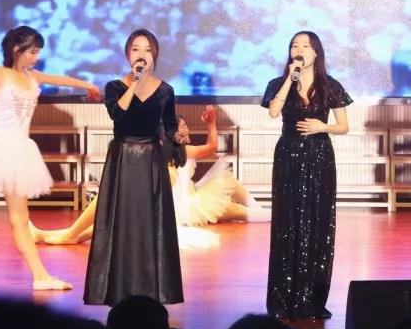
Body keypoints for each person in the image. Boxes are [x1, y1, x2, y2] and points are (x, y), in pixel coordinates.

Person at [0, 25, 101, 291]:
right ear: (17, 49)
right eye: (33, 51)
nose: (36, 56)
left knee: (19, 218)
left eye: (38, 51)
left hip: (17, 153)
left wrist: (89, 86)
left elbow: (60, 80)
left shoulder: (32, 77)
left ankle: (40, 276)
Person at [29, 106, 268, 248]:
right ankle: (58, 235)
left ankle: (65, 235)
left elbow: (211, 148)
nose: (186, 129)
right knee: (107, 222)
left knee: (235, 197)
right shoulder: (158, 152)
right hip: (179, 209)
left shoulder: (181, 151)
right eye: (182, 126)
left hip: (184, 207)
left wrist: (212, 123)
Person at [83, 29, 184, 306]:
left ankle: (152, 289)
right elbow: (117, 113)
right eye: (136, 49)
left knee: (150, 223)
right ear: (128, 55)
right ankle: (119, 288)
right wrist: (135, 83)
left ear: (155, 55)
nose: (142, 54)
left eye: (147, 49)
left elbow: (169, 127)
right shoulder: (115, 87)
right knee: (122, 221)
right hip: (123, 159)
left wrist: (179, 136)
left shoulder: (165, 90)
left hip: (151, 160)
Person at [261, 31, 351, 320]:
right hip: (288, 158)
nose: (298, 50)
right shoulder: (278, 84)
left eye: (305, 45)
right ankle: (282, 299)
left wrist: (322, 127)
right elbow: (273, 112)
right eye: (294, 45)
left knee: (317, 222)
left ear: (316, 52)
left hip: (319, 158)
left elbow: (344, 126)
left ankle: (311, 299)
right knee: (286, 224)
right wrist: (290, 79)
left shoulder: (330, 85)